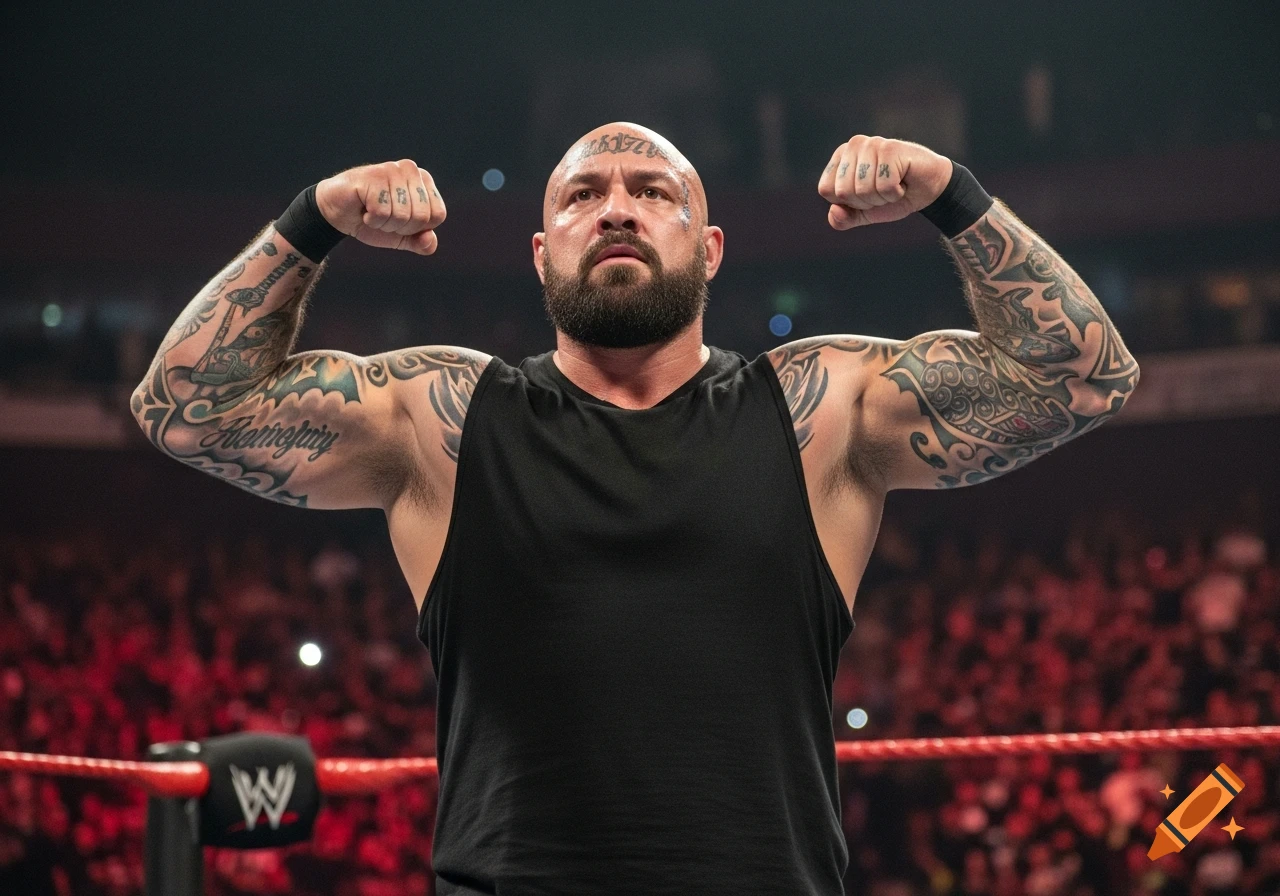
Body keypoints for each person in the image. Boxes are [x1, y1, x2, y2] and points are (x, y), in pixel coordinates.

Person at [130, 122, 1139, 895]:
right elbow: (184, 408)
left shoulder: (819, 411)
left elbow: (1083, 378)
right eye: (583, 194)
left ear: (709, 247)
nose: (616, 209)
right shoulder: (442, 419)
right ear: (540, 252)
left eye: (652, 191)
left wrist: (951, 195)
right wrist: (313, 220)